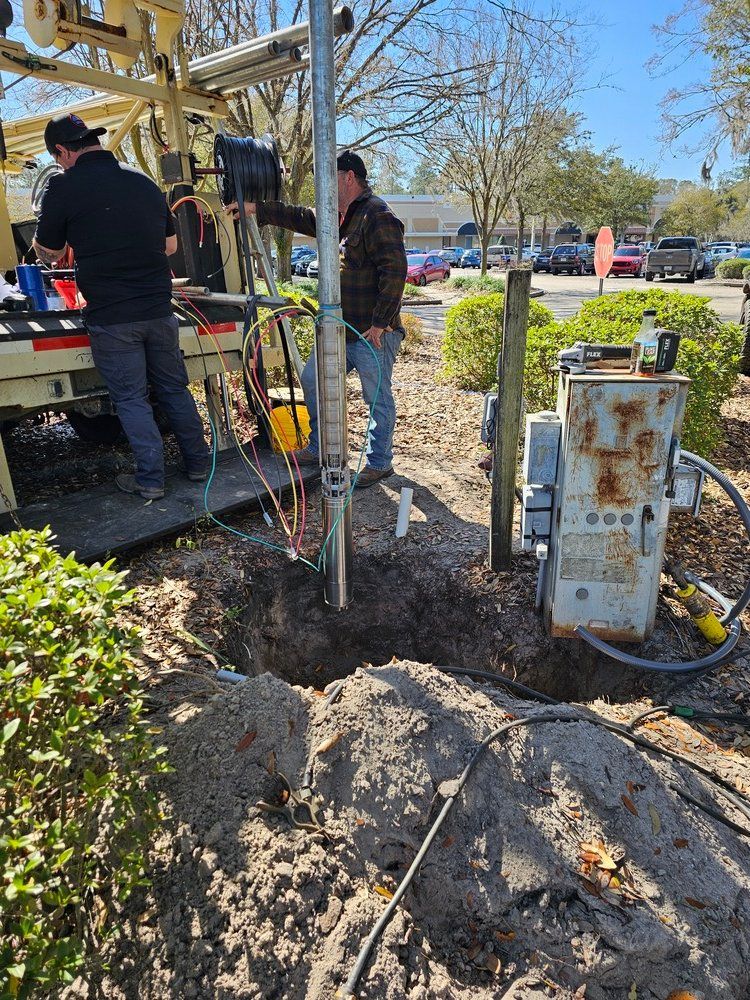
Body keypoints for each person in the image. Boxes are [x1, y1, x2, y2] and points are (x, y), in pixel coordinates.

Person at [33, 112, 209, 501]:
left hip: (113, 317)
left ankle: (151, 480)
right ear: (93, 140)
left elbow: (52, 251)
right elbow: (170, 247)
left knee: (131, 399)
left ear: (62, 151)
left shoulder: (62, 187)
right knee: (174, 390)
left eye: (57, 156)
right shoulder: (142, 181)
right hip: (160, 310)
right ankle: (199, 465)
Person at [226, 150, 407, 487]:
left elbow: (395, 271)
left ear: (349, 177)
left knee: (377, 399)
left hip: (371, 333)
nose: (322, 185)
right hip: (338, 331)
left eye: (329, 177)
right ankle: (320, 447)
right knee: (312, 381)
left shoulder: (377, 215)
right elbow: (298, 216)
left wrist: (381, 322)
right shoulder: (336, 216)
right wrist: (255, 208)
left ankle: (380, 462)